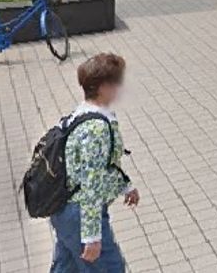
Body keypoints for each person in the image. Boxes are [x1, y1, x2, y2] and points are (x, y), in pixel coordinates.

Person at [51, 53, 138, 272]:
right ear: (103, 87)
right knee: (110, 268)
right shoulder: (97, 129)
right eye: (117, 82)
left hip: (65, 209)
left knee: (66, 268)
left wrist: (125, 186)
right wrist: (91, 237)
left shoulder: (82, 114)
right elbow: (91, 183)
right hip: (82, 215)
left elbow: (102, 166)